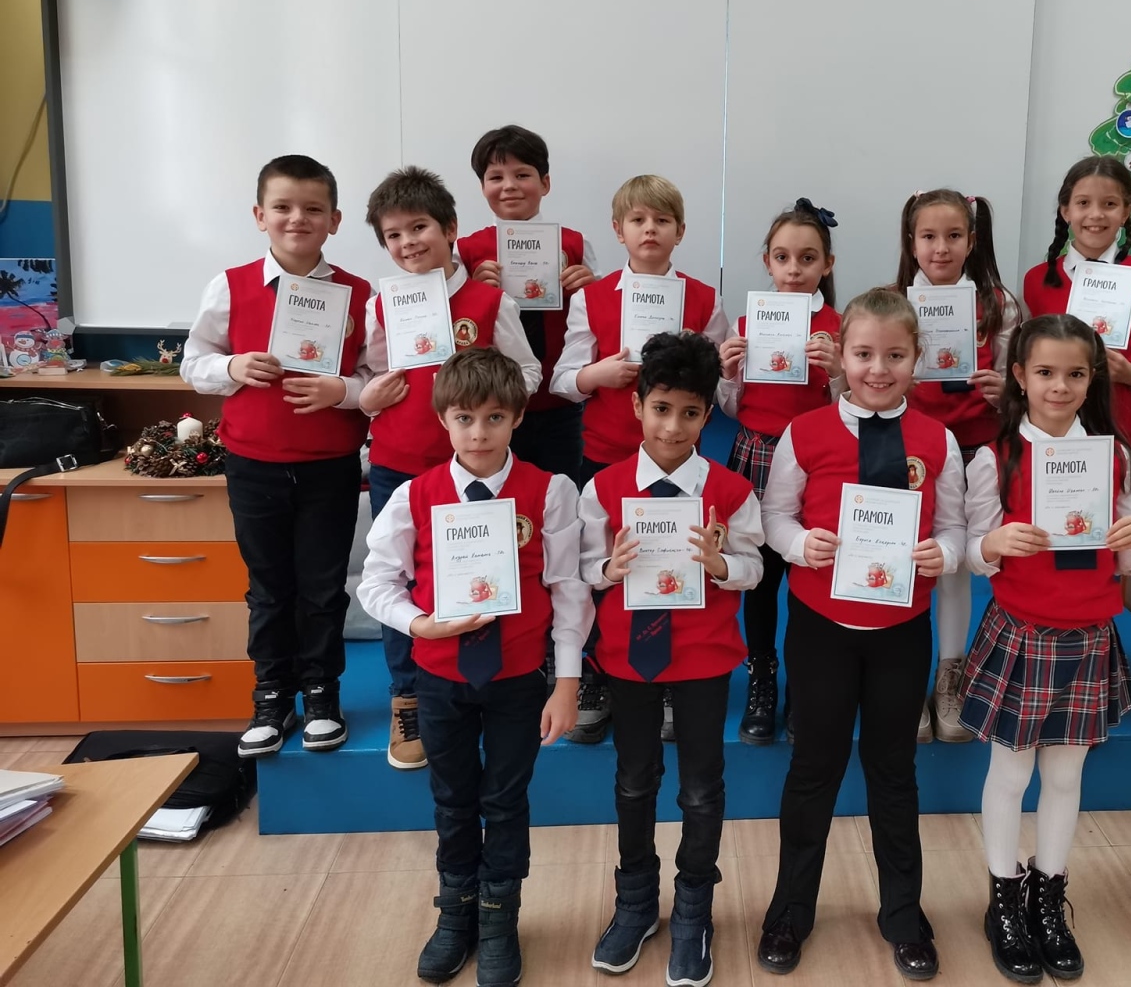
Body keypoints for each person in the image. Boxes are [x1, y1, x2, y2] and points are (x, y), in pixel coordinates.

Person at [356, 347, 590, 986]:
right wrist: (418, 623)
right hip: (440, 678)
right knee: (453, 800)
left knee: (505, 801)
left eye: (494, 418)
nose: (479, 433)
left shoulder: (551, 491)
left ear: (517, 417)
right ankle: (455, 912)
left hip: (517, 679)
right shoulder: (414, 495)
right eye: (464, 418)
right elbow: (376, 583)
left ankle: (498, 918)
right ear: (443, 420)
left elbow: (568, 589)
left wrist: (567, 683)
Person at [756, 287, 966, 981]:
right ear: (840, 356)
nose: (879, 369)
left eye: (895, 356)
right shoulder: (805, 432)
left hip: (900, 632)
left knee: (893, 771)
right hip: (821, 629)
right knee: (812, 768)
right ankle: (789, 911)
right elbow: (775, 516)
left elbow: (954, 527)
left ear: (918, 358)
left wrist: (944, 554)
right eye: (865, 354)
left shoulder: (937, 440)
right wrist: (799, 544)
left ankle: (903, 914)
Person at [962, 314, 1131, 982]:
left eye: (1074, 374)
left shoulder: (1115, 457)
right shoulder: (994, 457)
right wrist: (992, 544)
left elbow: (1129, 561)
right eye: (1044, 372)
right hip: (1023, 632)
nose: (1059, 386)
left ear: (1092, 379)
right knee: (1011, 775)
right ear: (1019, 376)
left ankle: (1048, 896)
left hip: (1090, 632)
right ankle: (1003, 900)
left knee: (1067, 777)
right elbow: (970, 550)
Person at [581, 332, 765, 987]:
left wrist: (721, 565)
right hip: (628, 659)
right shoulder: (602, 489)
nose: (672, 426)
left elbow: (754, 566)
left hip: (703, 661)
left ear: (707, 415)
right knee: (634, 782)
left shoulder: (731, 491)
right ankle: (635, 903)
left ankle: (693, 910)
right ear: (637, 405)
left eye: (690, 413)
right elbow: (582, 568)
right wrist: (608, 569)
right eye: (660, 408)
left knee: (700, 789)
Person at [180, 154, 372, 758]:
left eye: (313, 209)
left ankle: (321, 695)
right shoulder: (230, 285)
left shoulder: (359, 294)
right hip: (254, 464)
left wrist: (341, 390)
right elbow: (194, 362)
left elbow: (376, 377)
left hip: (328, 465)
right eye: (283, 207)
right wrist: (233, 366)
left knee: (322, 588)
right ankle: (271, 696)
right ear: (260, 215)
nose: (298, 219)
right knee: (268, 589)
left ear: (334, 220)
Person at [360, 167, 541, 770]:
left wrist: (486, 386)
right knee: (404, 579)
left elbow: (530, 372)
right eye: (393, 235)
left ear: (451, 229)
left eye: (419, 228)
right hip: (399, 466)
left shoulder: (491, 302)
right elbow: (369, 376)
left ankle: (491, 689)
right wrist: (367, 396)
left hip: (476, 471)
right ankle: (408, 698)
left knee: (479, 573)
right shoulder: (381, 304)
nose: (408, 242)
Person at [550, 173, 732, 744]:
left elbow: (720, 388)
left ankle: (672, 680)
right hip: (608, 460)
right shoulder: (592, 297)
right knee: (606, 568)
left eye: (661, 220)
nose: (649, 229)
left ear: (681, 231)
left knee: (672, 563)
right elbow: (561, 381)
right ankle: (598, 675)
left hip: (679, 464)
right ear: (618, 230)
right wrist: (597, 374)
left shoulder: (703, 298)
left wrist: (726, 366)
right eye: (637, 220)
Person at [894, 188, 1020, 742]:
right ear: (911, 243)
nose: (940, 248)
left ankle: (951, 673)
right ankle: (903, 676)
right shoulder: (894, 302)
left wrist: (1004, 393)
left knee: (957, 565)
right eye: (928, 236)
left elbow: (1022, 382)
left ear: (972, 241)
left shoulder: (999, 304)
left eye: (952, 236)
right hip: (909, 452)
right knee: (910, 558)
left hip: (974, 449)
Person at [716, 198, 842, 743]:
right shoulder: (747, 324)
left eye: (807, 259)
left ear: (826, 265)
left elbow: (854, 407)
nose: (794, 270)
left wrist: (839, 372)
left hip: (817, 461)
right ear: (767, 261)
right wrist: (728, 374)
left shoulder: (839, 327)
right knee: (762, 576)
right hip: (756, 454)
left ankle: (805, 683)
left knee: (811, 574)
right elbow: (731, 407)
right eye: (783, 258)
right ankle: (762, 675)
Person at [455, 124, 598, 480]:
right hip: (488, 406)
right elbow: (452, 324)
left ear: (545, 183)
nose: (509, 186)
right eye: (495, 177)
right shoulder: (466, 250)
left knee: (562, 490)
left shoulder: (574, 245)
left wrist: (592, 290)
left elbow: (600, 321)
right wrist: (471, 293)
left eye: (522, 175)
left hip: (560, 402)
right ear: (482, 187)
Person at [1021, 155, 1131, 451]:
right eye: (1083, 203)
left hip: (1119, 438)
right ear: (1066, 211)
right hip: (1047, 440)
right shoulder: (1036, 280)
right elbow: (1024, 363)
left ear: (1126, 212)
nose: (1096, 214)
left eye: (1109, 204)